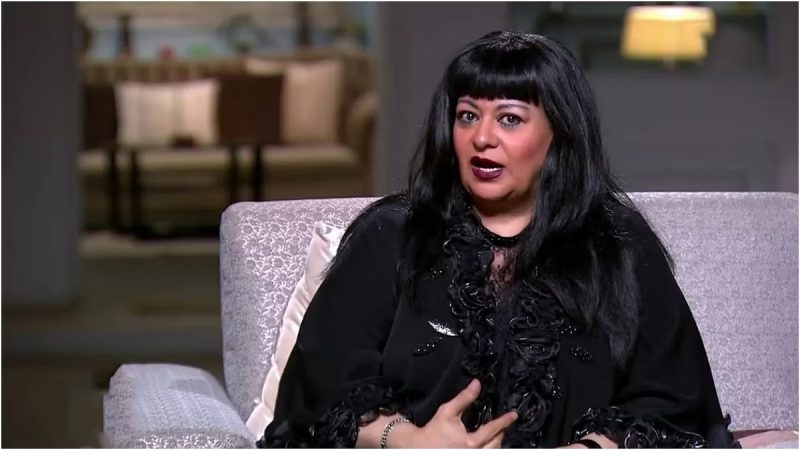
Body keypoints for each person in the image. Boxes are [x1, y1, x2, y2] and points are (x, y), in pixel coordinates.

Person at [257, 31, 736, 448]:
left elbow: (674, 401)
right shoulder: (393, 235)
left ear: (559, 133)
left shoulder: (618, 244)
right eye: (467, 116)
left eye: (509, 119)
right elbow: (323, 384)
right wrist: (406, 440)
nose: (482, 138)